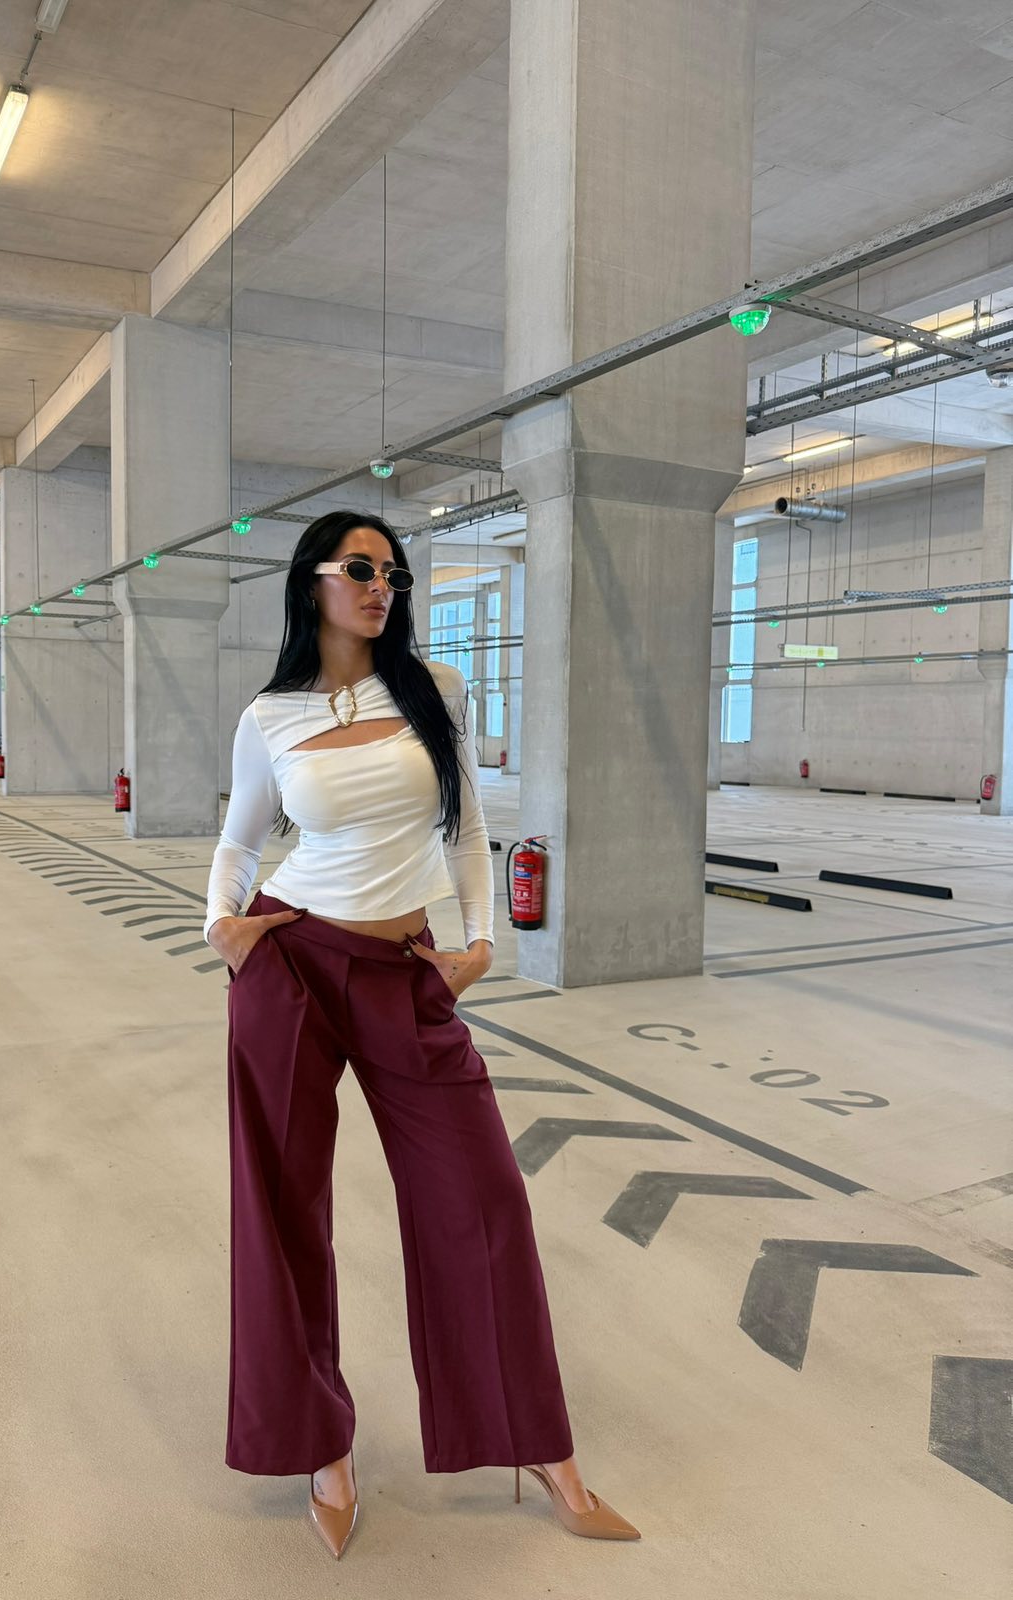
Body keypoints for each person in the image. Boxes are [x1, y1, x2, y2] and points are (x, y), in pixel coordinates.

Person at [204, 509, 640, 1559]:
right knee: (281, 1206)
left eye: (393, 573)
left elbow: (468, 822)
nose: (380, 586)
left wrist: (482, 940)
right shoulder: (270, 715)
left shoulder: (435, 690)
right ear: (312, 582)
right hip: (293, 963)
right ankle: (321, 1448)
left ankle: (541, 1449)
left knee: (481, 1198)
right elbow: (239, 838)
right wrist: (222, 927)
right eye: (360, 568)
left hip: (405, 969)